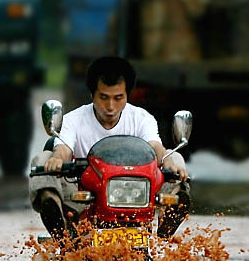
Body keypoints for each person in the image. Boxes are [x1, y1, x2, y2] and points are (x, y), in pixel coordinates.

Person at [29, 56, 190, 240]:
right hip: (84, 198)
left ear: (127, 95)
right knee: (42, 160)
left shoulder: (142, 118)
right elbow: (63, 148)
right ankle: (61, 227)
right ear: (92, 94)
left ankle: (166, 221)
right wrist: (57, 159)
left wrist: (168, 159)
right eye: (103, 97)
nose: (110, 107)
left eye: (118, 98)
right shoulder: (73, 120)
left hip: (135, 197)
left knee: (176, 158)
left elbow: (154, 146)